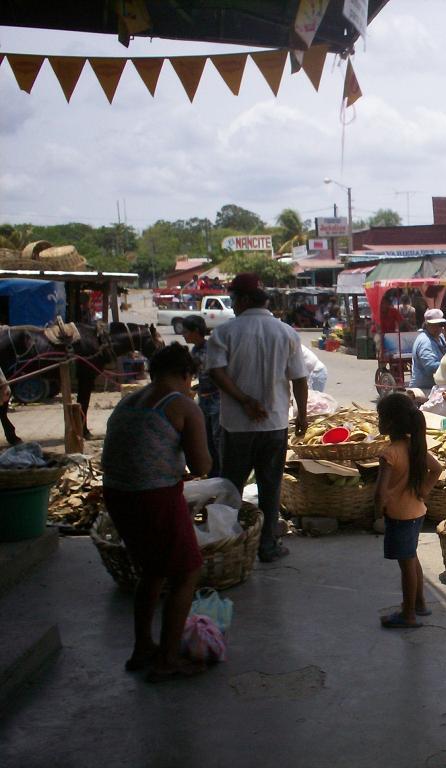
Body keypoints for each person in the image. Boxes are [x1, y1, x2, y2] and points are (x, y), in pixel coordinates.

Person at [101, 343, 212, 683]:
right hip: (155, 496)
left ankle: (142, 648)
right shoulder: (182, 406)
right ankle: (167, 660)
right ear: (186, 374)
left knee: (151, 570)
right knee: (187, 572)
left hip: (117, 494)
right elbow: (202, 465)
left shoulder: (128, 401)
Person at [207, 273, 308, 563]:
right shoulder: (286, 333)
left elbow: (216, 372)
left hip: (236, 426)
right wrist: (302, 415)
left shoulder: (224, 333)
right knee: (270, 486)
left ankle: (228, 545)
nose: (232, 304)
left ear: (244, 299)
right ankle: (267, 545)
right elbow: (300, 379)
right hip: (274, 425)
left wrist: (244, 400)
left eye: (233, 298)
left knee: (231, 487)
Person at [375, 392, 443, 629]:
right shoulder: (414, 447)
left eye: (380, 417)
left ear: (390, 423)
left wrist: (376, 512)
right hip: (417, 512)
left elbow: (380, 492)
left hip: (399, 515)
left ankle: (408, 614)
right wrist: (423, 491)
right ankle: (420, 603)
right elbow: (437, 469)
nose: (378, 421)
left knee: (406, 566)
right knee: (412, 558)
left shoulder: (389, 454)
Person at [181, 315, 221, 477]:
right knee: (207, 439)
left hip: (217, 399)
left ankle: (223, 475)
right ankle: (213, 474)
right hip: (203, 399)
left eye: (186, 331)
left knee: (218, 439)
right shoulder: (194, 351)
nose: (183, 334)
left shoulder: (212, 349)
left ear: (196, 331)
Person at [410, 308, 446, 391]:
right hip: (424, 389)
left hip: (436, 386)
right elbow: (430, 367)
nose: (437, 328)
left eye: (440, 324)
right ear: (426, 324)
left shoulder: (441, 337)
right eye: (433, 325)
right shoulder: (425, 341)